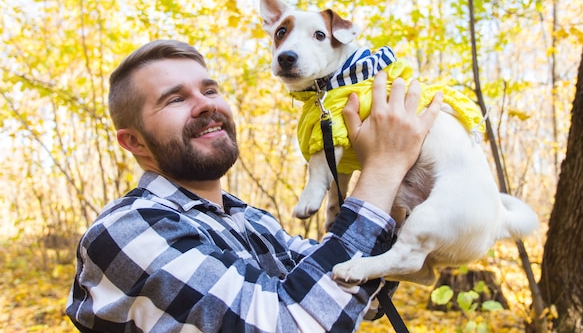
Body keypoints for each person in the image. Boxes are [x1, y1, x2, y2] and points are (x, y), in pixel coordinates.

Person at [66, 39, 443, 333]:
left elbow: (359, 295)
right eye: (176, 99)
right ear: (134, 142)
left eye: (210, 91)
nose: (204, 105)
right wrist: (383, 168)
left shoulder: (251, 221)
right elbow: (293, 323)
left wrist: (422, 191)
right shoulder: (125, 231)